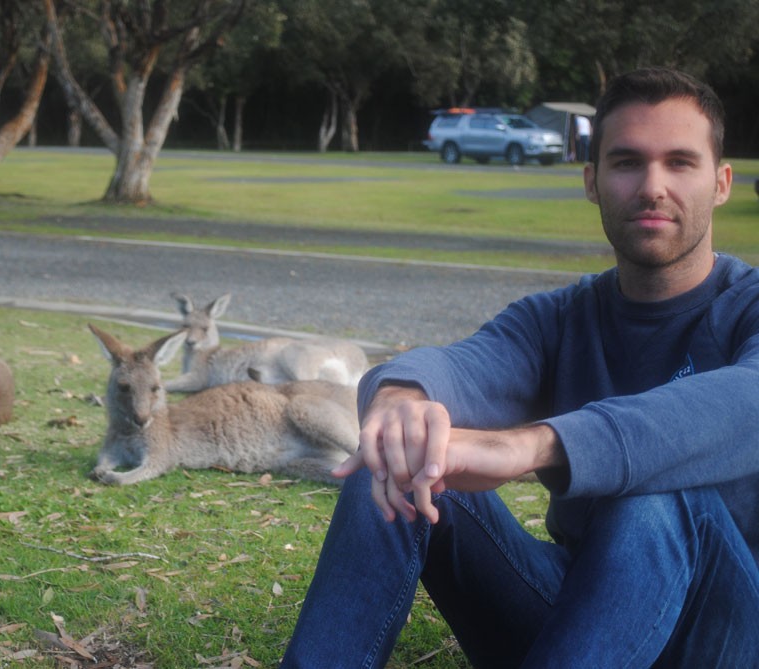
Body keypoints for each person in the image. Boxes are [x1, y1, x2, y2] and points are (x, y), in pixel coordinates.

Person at [281, 67, 759, 668]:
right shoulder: (562, 317)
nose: (652, 186)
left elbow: (750, 402)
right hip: (585, 621)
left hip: (726, 632)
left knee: (656, 498)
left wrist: (534, 445)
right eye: (627, 162)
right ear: (592, 181)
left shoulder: (748, 305)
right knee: (405, 452)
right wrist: (400, 395)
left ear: (721, 183)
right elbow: (467, 364)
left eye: (680, 163)